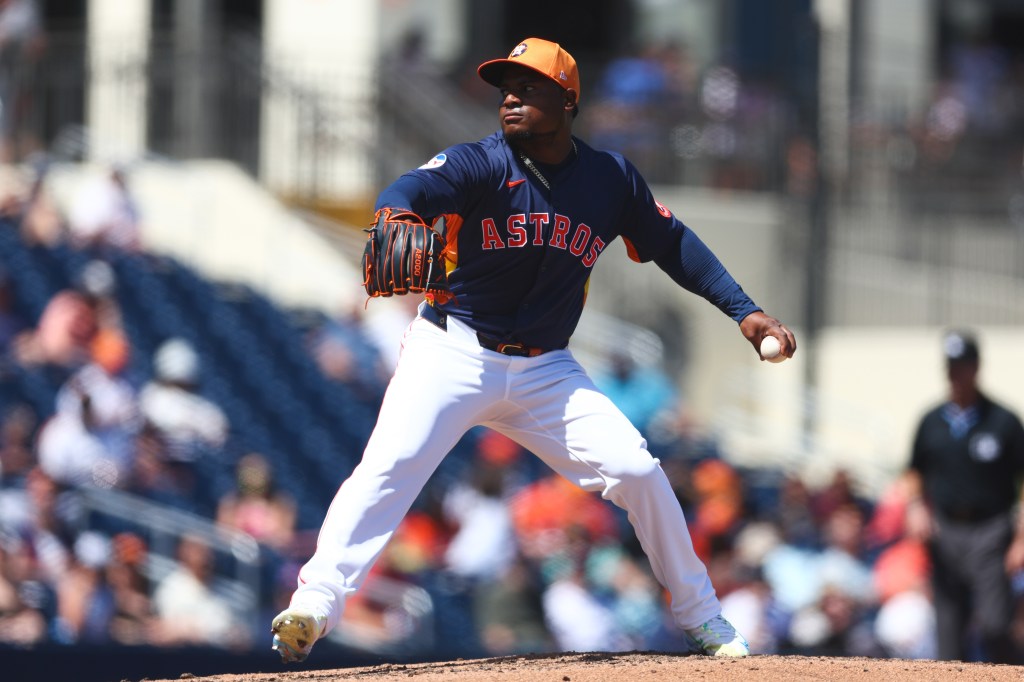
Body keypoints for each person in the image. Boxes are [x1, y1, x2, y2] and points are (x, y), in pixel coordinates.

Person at [271, 37, 796, 663]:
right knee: (389, 468)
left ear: (568, 100)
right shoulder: (481, 163)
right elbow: (409, 190)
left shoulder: (610, 180)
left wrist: (745, 309)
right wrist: (397, 213)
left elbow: (674, 244)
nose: (511, 98)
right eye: (505, 89)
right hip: (453, 350)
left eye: (529, 87)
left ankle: (704, 617)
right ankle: (314, 603)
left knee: (637, 470)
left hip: (547, 367)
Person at [902, 330, 1024, 663]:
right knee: (949, 628)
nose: (956, 374)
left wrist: (1021, 537)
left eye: (963, 366)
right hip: (946, 531)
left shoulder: (1003, 421)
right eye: (951, 366)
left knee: (995, 623)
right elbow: (914, 471)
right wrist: (915, 507)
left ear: (976, 368)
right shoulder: (931, 422)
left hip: (991, 530)